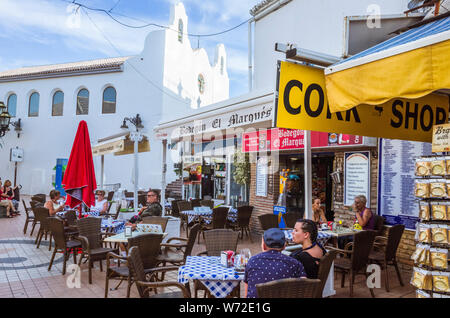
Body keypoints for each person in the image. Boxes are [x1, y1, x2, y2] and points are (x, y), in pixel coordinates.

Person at [244, 228, 306, 298]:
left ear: (264, 245)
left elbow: (246, 293)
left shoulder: (252, 261)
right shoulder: (295, 263)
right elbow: (303, 289)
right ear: (284, 246)